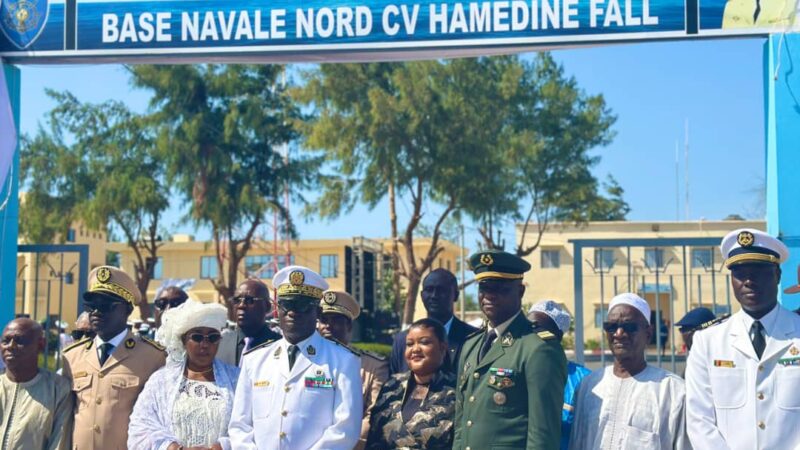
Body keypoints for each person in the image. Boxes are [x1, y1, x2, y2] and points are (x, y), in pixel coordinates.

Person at [686, 228, 800, 449]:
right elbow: (699, 419)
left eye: (758, 271)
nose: (748, 280)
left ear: (777, 275)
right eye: (739, 273)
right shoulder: (707, 341)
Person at [229, 265, 363, 449]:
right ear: (277, 309)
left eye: (301, 305)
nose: (292, 312)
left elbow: (345, 429)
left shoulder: (343, 361)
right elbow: (239, 426)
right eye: (286, 304)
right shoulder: (255, 360)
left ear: (317, 312)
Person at [453, 250, 567, 450]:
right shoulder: (471, 345)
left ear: (520, 291)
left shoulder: (538, 348)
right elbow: (462, 423)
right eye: (484, 288)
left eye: (500, 288)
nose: (489, 296)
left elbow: (543, 435)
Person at [61, 265, 167, 450]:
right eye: (92, 306)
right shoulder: (72, 356)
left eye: (105, 306)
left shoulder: (152, 357)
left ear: (127, 309)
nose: (96, 312)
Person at [569, 293, 688, 449]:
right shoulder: (589, 386)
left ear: (648, 333)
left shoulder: (673, 391)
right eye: (611, 327)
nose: (619, 334)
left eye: (629, 327)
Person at [128, 300, 240, 450]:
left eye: (213, 337)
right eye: (197, 337)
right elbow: (140, 428)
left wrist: (222, 447)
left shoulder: (236, 379)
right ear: (183, 340)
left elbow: (250, 425)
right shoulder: (161, 381)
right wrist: (172, 448)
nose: (205, 345)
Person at [366, 318, 456, 450]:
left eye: (424, 342)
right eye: (409, 344)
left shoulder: (458, 389)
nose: (415, 349)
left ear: (442, 348)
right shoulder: (392, 385)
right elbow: (373, 437)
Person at [318, 289, 389, 450]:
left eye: (336, 320)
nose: (328, 325)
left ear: (349, 325)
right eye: (324, 320)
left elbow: (373, 416)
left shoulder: (373, 366)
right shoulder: (306, 362)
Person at [0, 318, 74, 450]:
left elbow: (59, 443)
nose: (11, 346)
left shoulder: (58, 389)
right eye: (6, 341)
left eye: (20, 340)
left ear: (40, 345)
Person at [528, 300, 591, 450]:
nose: (531, 334)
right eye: (527, 327)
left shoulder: (582, 380)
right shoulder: (515, 370)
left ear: (558, 336)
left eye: (538, 328)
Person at [390, 269, 478, 374]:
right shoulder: (402, 341)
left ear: (456, 295)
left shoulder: (474, 338)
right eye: (429, 290)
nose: (434, 296)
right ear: (422, 296)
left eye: (441, 290)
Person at [215, 279, 281, 366]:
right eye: (237, 300)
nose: (241, 305)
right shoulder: (219, 343)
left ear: (267, 306)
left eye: (250, 300)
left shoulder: (279, 344)